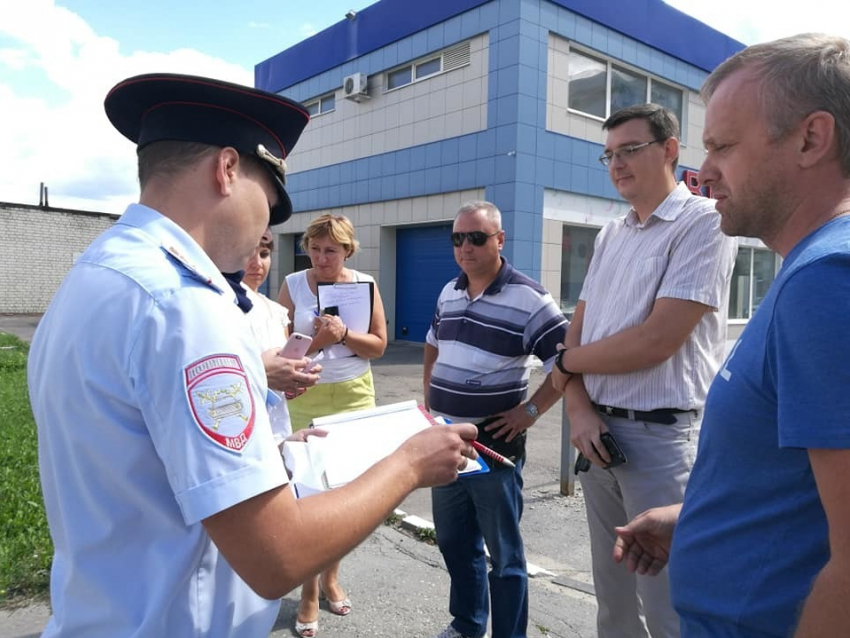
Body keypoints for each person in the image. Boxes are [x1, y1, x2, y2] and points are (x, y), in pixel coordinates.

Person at [26, 72, 478, 638]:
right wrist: (409, 464)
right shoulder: (186, 305)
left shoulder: (94, 275)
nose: (267, 225)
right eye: (269, 203)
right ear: (227, 170)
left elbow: (142, 451)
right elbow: (278, 558)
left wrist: (273, 452)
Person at [613, 33, 850, 638]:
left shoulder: (827, 280)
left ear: (811, 138)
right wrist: (697, 519)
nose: (704, 170)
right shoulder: (810, 269)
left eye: (721, 146)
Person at [549, 103, 737, 638]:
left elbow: (656, 341)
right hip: (597, 435)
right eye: (608, 155)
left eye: (630, 150)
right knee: (612, 602)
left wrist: (563, 366)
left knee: (669, 606)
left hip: (661, 442)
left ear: (671, 150)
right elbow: (577, 329)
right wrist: (579, 407)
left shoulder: (703, 223)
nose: (617, 164)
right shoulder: (612, 233)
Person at [424, 200, 568, 638]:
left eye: (477, 237)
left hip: (493, 443)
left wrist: (530, 411)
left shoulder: (529, 297)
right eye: (457, 238)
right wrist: (429, 393)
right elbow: (432, 343)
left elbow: (565, 362)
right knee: (453, 540)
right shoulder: (449, 291)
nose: (465, 247)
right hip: (446, 438)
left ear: (500, 240)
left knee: (504, 555)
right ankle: (467, 624)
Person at [277, 213, 387, 637]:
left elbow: (377, 345)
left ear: (348, 251)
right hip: (307, 396)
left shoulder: (365, 285)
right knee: (309, 495)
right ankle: (307, 593)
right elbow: (282, 350)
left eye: (332, 250)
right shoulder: (291, 285)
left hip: (356, 392)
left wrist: (343, 336)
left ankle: (331, 578)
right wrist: (321, 341)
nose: (323, 258)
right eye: (316, 248)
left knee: (342, 493)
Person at [241, 230, 298, 444]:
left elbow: (282, 361)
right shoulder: (224, 303)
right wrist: (262, 373)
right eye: (249, 255)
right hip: (245, 426)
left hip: (277, 424)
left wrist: (294, 377)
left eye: (264, 254)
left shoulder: (277, 311)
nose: (257, 264)